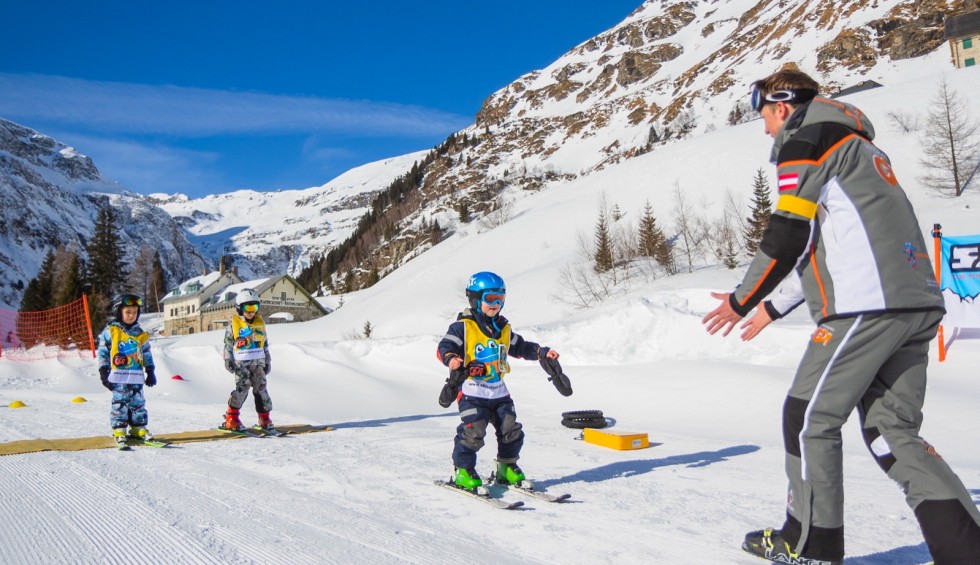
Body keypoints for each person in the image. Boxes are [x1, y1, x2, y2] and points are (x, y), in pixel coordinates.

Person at [702, 68, 980, 564]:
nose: (765, 129)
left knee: (808, 418)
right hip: (915, 303)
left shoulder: (805, 141)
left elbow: (788, 233)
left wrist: (741, 299)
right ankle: (968, 551)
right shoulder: (859, 147)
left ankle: (812, 545)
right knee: (892, 431)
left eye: (763, 116)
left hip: (865, 306)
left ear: (781, 106)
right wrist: (770, 307)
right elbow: (822, 244)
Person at [436, 271, 560, 492]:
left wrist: (540, 352)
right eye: (490, 299)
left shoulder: (502, 328)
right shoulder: (463, 327)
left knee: (511, 430)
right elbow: (444, 347)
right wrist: (451, 359)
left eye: (500, 299)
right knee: (473, 432)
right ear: (475, 299)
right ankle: (462, 470)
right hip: (472, 391)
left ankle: (506, 467)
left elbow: (520, 347)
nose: (496, 304)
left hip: (498, 391)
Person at [97, 293, 157, 446]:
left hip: (136, 375)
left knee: (138, 402)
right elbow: (103, 353)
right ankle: (119, 429)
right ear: (119, 312)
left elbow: (146, 352)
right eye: (128, 312)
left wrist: (150, 370)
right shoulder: (110, 332)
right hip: (118, 376)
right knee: (120, 401)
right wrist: (104, 372)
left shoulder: (139, 333)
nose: (131, 315)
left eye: (135, 312)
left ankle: (138, 428)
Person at [219, 289, 274, 432]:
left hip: (258, 363)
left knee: (261, 388)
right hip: (241, 364)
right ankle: (231, 419)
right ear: (239, 308)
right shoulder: (234, 325)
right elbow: (228, 344)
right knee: (243, 388)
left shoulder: (259, 324)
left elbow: (264, 344)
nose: (250, 312)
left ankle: (264, 419)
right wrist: (228, 359)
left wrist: (267, 361)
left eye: (254, 307)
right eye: (247, 308)